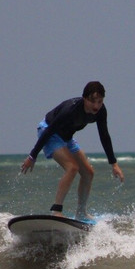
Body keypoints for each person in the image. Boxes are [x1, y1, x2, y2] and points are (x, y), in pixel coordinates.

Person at [20, 81, 124, 220]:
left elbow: (104, 135)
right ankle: (56, 210)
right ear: (85, 98)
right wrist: (32, 156)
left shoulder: (100, 111)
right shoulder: (70, 110)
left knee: (88, 173)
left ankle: (81, 213)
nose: (96, 106)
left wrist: (114, 164)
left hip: (67, 137)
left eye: (99, 101)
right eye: (93, 101)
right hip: (49, 131)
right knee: (72, 167)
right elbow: (49, 131)